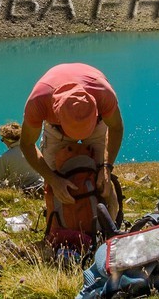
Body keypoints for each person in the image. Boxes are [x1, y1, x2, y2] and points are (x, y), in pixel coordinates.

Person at [19, 62, 124, 216]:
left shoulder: (103, 93)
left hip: (97, 122)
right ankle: (57, 225)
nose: (81, 138)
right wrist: (53, 179)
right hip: (57, 131)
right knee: (55, 179)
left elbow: (116, 128)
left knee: (103, 182)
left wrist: (106, 168)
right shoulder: (38, 102)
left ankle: (112, 226)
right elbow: (27, 144)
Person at [0, 122, 42, 192]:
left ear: (7, 140)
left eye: (2, 140)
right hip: (40, 185)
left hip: (23, 191)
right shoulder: (33, 148)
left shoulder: (5, 157)